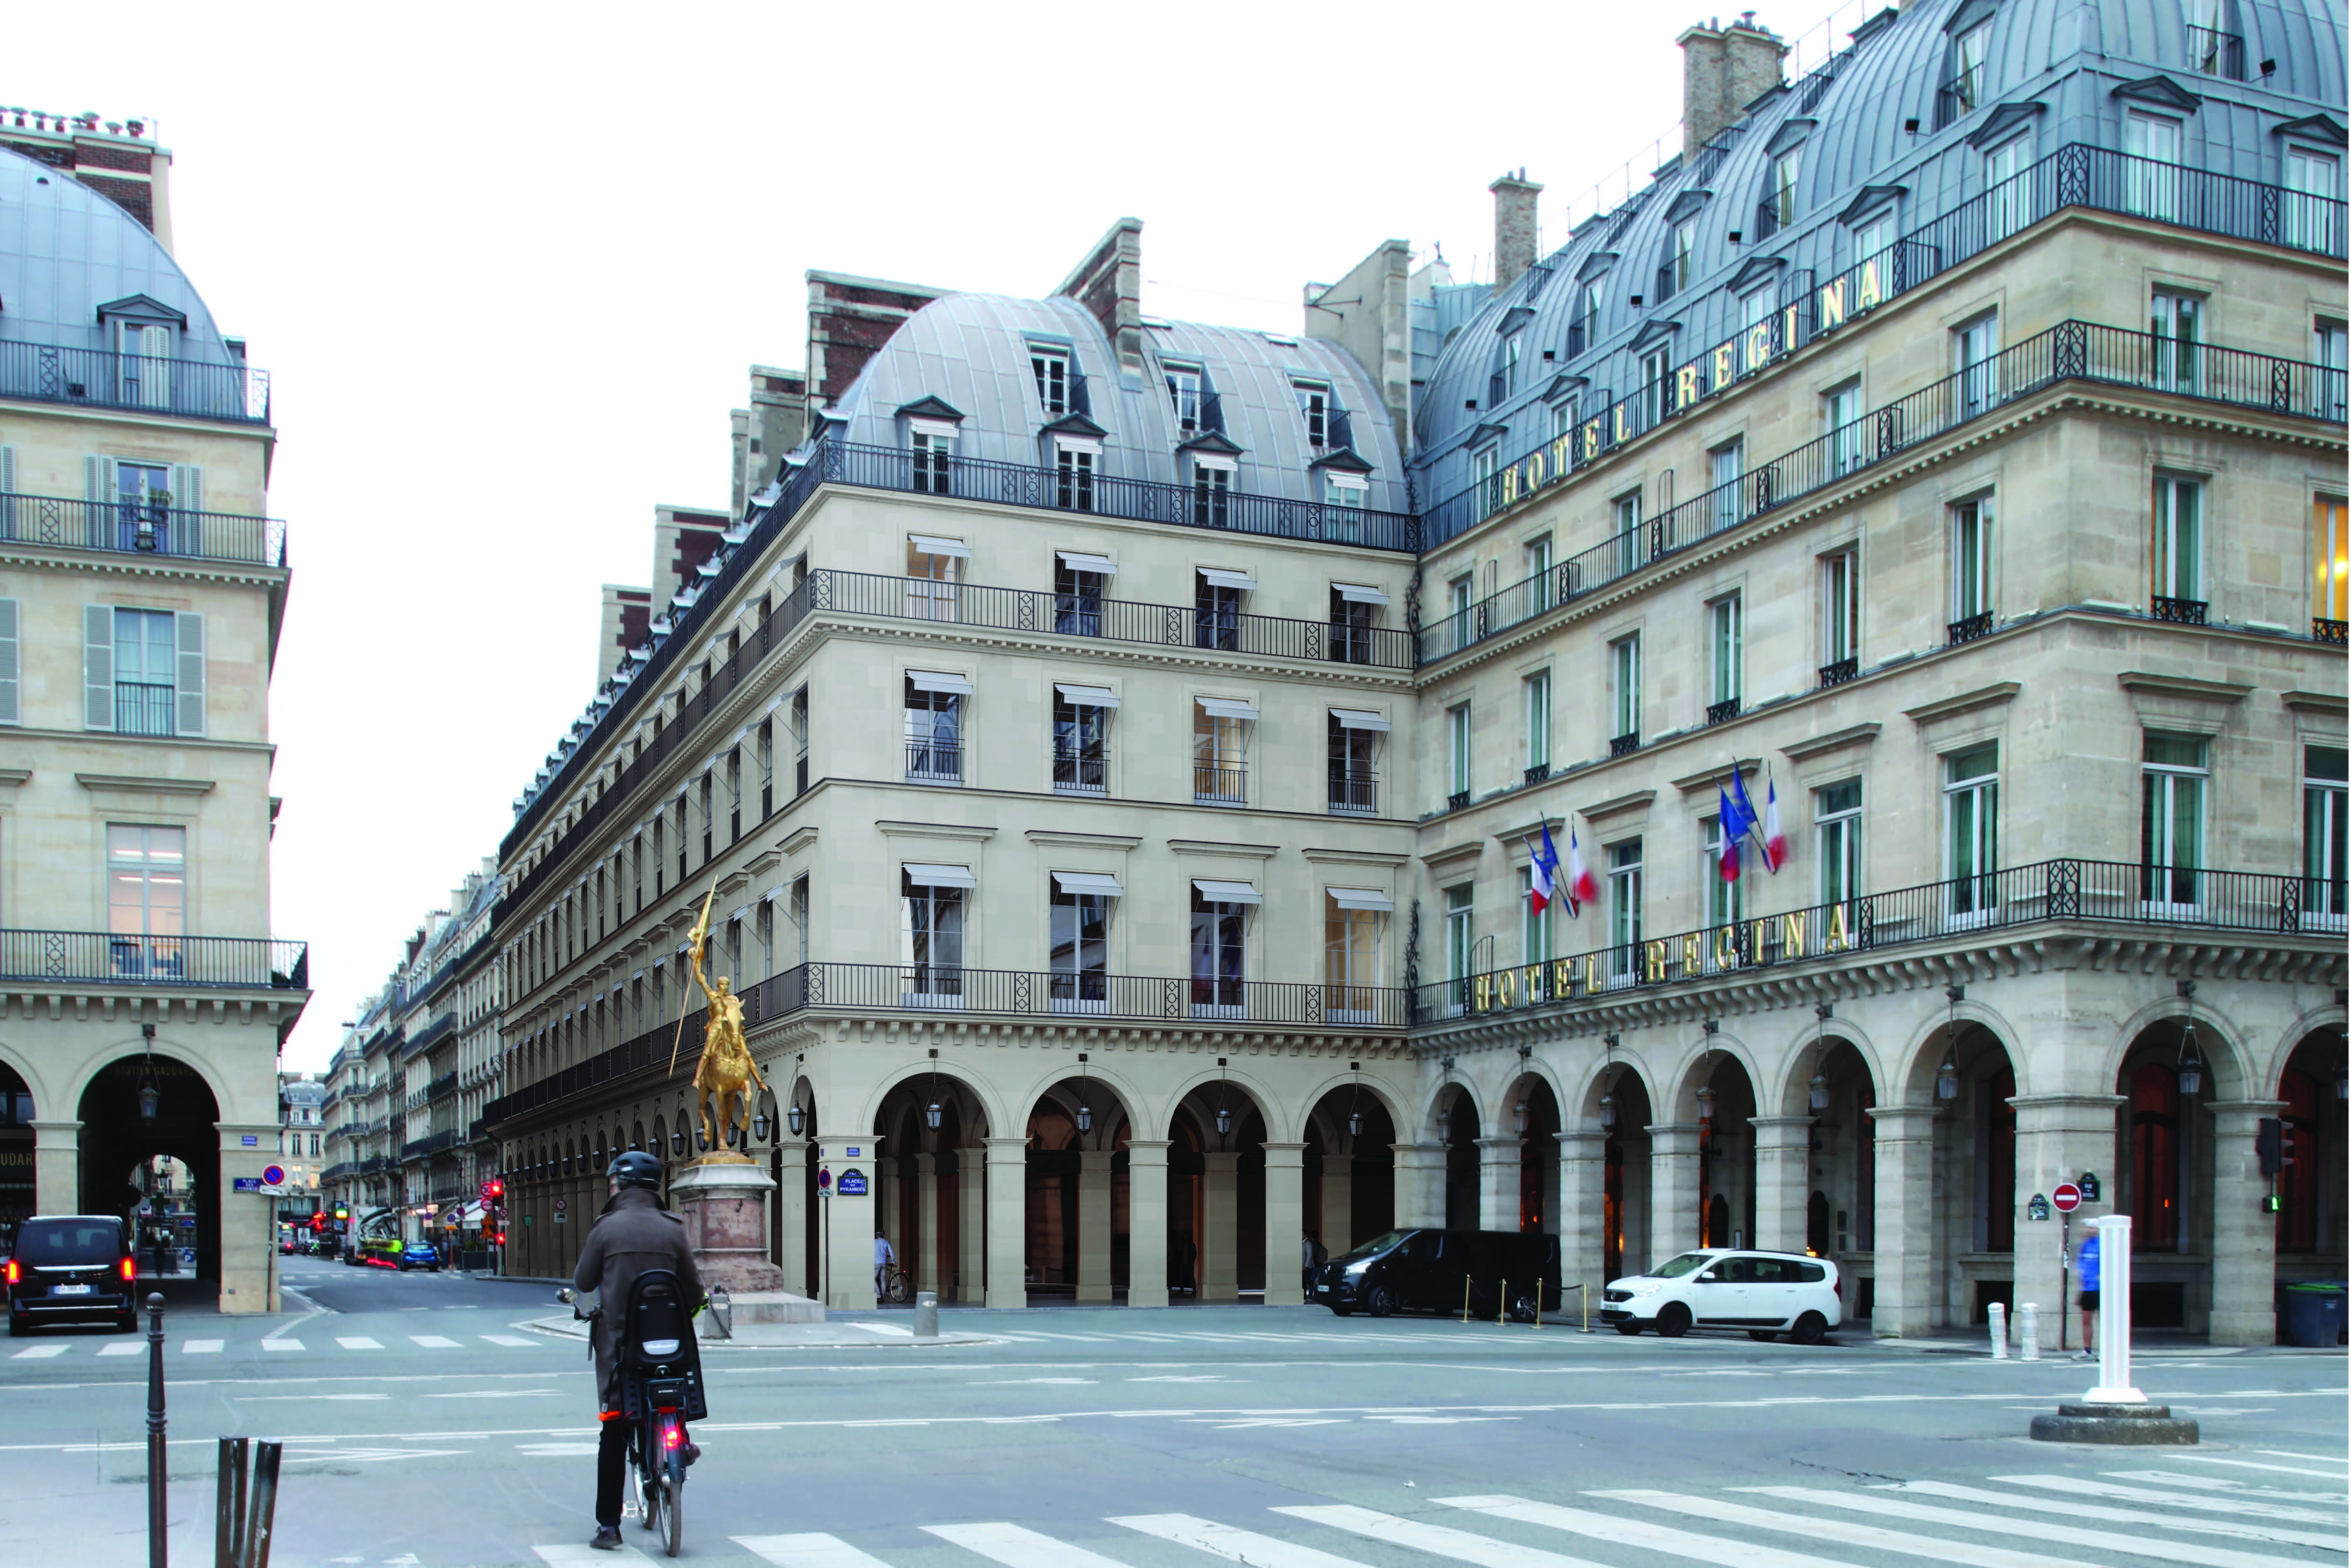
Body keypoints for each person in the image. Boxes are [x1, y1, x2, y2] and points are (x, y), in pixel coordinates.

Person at [574, 1149, 705, 1552]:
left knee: (613, 1430)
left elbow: (583, 1280)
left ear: (619, 1185)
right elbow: (694, 1292)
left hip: (621, 1350)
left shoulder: (605, 1228)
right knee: (674, 1394)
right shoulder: (673, 1228)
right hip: (669, 1346)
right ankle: (680, 1439)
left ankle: (609, 1527)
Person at [2076, 1219, 2102, 1360]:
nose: (2089, 1231)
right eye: (2088, 1228)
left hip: (2100, 1288)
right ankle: (2087, 1350)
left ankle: (2106, 1350)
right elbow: (2080, 1263)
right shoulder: (2085, 1245)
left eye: (2092, 1228)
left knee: (2103, 1319)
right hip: (2087, 1288)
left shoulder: (2102, 1244)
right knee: (2086, 1319)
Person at [874, 1231, 897, 1302]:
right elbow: (891, 1252)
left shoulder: (874, 1242)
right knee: (883, 1280)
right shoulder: (886, 1242)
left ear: (878, 1235)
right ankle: (883, 1297)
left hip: (877, 1264)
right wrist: (893, 1261)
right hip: (884, 1263)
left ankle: (879, 1296)